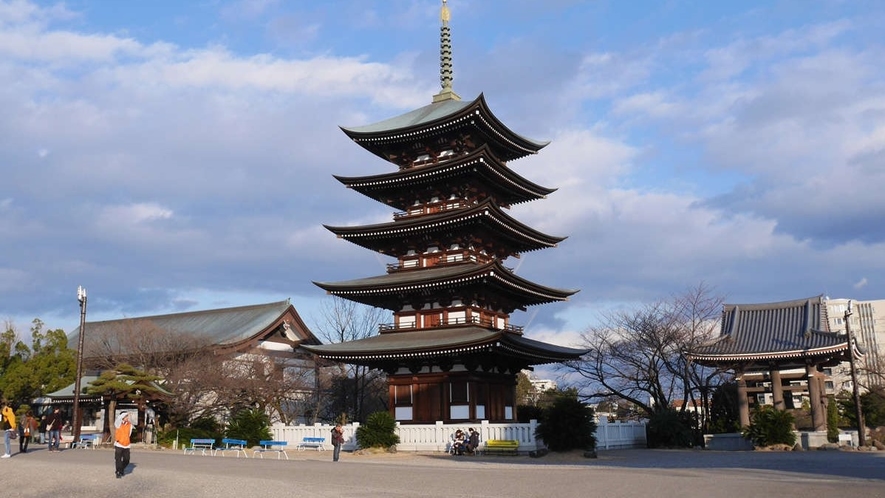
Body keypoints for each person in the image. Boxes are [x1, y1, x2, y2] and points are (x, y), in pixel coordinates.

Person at [114, 411, 133, 478]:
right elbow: (118, 419)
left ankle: (120, 469)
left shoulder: (129, 424)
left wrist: (126, 439)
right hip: (119, 444)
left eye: (127, 416)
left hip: (126, 444)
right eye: (126, 416)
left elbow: (129, 434)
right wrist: (125, 414)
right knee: (118, 459)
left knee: (127, 460)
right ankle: (118, 472)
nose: (127, 417)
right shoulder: (118, 423)